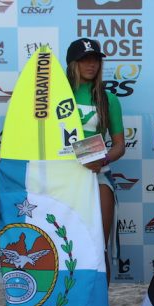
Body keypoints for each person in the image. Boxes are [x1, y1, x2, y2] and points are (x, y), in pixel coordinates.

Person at [65, 38, 125, 284]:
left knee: (97, 245)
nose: (91, 65)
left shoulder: (108, 98)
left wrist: (103, 159)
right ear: (72, 64)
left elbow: (120, 145)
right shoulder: (58, 96)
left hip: (97, 174)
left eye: (95, 60)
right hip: (64, 175)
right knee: (67, 245)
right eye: (85, 60)